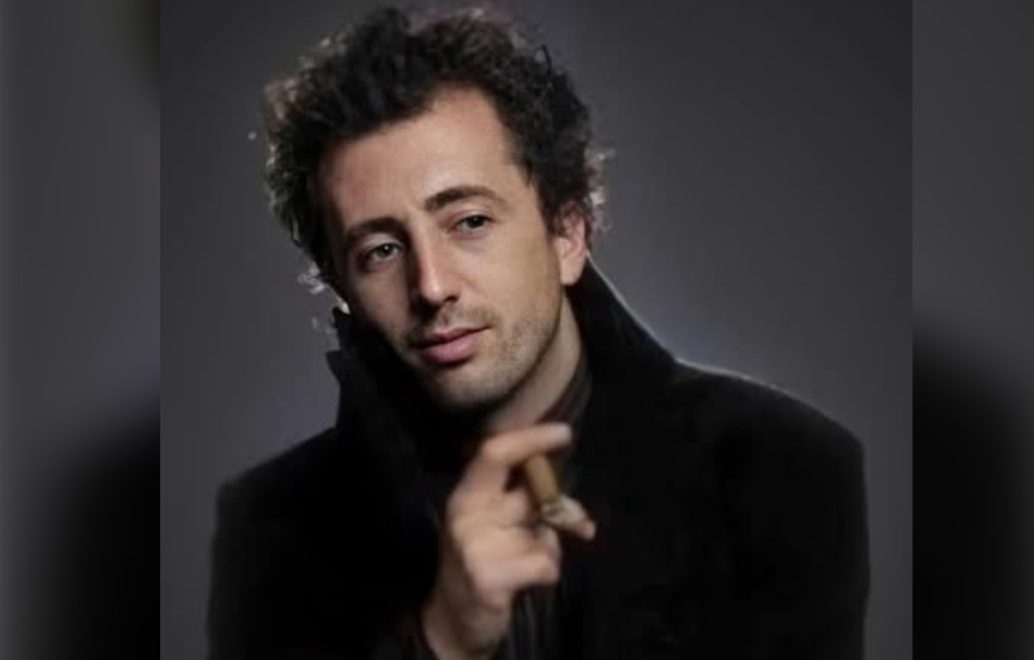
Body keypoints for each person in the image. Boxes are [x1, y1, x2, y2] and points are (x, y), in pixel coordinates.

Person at [208, 7, 869, 659]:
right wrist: (439, 643)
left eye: (469, 221)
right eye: (379, 251)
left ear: (568, 233)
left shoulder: (782, 470)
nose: (431, 286)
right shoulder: (267, 532)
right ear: (342, 290)